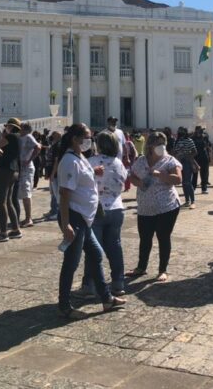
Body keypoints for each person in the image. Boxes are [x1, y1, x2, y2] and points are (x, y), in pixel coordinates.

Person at [57, 123, 126, 319]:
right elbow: (64, 194)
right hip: (75, 217)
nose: (90, 140)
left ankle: (106, 299)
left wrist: (93, 172)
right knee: (71, 262)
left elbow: (82, 178)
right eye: (86, 136)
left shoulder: (80, 157)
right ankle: (64, 305)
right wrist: (66, 224)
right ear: (75, 138)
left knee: (96, 254)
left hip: (85, 218)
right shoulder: (69, 160)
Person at [75, 130, 128, 298]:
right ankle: (118, 283)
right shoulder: (119, 163)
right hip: (116, 207)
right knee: (115, 247)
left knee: (93, 250)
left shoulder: (90, 162)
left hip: (96, 209)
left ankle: (89, 285)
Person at [127, 131, 183, 282]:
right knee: (145, 238)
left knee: (163, 237)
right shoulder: (141, 161)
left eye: (163, 143)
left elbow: (178, 179)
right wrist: (139, 182)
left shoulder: (170, 161)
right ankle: (141, 267)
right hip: (145, 207)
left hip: (166, 206)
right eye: (158, 143)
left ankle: (162, 270)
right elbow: (131, 176)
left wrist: (160, 175)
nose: (161, 146)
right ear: (150, 145)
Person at [18, 122, 42, 228]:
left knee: (26, 193)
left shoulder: (28, 136)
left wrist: (29, 160)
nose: (19, 130)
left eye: (21, 128)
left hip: (26, 168)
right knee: (23, 193)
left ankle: (29, 218)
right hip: (22, 167)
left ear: (25, 129)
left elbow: (38, 147)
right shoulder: (22, 137)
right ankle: (27, 218)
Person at [173, 127, 197, 208]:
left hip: (187, 162)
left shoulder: (189, 140)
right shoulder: (177, 141)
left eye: (182, 131)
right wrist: (177, 156)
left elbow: (194, 151)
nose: (180, 133)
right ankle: (187, 200)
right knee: (183, 183)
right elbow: (174, 151)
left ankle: (193, 201)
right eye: (179, 131)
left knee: (188, 182)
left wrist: (187, 156)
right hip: (179, 163)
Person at [191, 126, 212, 194]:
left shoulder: (205, 137)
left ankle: (204, 188)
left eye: (201, 130)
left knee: (204, 174)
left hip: (204, 157)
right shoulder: (192, 138)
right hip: (195, 158)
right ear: (196, 130)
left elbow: (209, 145)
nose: (200, 132)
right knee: (194, 174)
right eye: (199, 130)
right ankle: (193, 188)